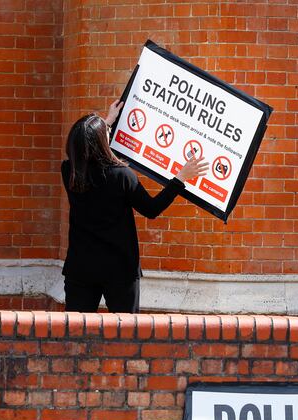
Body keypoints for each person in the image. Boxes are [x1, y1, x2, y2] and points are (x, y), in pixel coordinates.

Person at [61, 100, 208, 313]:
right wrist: (180, 178)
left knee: (76, 332)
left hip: (81, 267)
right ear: (102, 141)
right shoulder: (122, 176)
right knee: (126, 334)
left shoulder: (69, 173)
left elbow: (86, 144)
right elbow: (152, 209)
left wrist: (105, 123)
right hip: (119, 269)